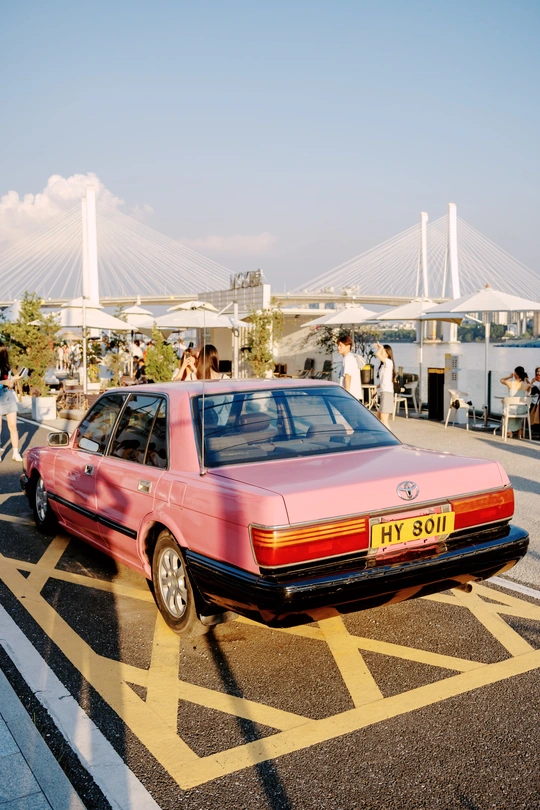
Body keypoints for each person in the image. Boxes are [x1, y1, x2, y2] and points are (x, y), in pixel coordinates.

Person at [0, 347, 23, 462]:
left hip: (8, 396)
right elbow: (4, 381)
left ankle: (15, 452)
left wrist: (14, 380)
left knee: (13, 426)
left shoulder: (6, 366)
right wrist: (4, 382)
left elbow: (9, 381)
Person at [500, 366, 529, 438]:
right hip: (523, 410)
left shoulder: (510, 383)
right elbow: (530, 388)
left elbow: (501, 380)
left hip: (513, 409)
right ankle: (520, 430)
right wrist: (527, 380)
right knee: (515, 411)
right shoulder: (526, 385)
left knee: (506, 411)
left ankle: (509, 431)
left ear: (515, 374)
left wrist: (509, 377)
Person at [374, 342, 396, 427]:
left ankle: (389, 435)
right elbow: (384, 380)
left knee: (384, 420)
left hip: (387, 393)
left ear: (387, 353)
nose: (381, 353)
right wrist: (376, 387)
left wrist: (381, 347)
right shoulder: (383, 365)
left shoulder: (389, 362)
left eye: (383, 352)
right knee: (379, 418)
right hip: (384, 392)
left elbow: (377, 354)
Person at [336, 335, 361, 400]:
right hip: (353, 394)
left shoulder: (348, 358)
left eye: (341, 345)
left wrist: (346, 393)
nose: (338, 347)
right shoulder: (350, 357)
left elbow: (348, 376)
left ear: (348, 346)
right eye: (338, 345)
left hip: (350, 394)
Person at [529, 366, 540, 438]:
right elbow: (529, 392)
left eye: (539, 371)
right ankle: (534, 429)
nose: (538, 373)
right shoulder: (534, 381)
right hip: (534, 401)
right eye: (537, 371)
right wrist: (531, 383)